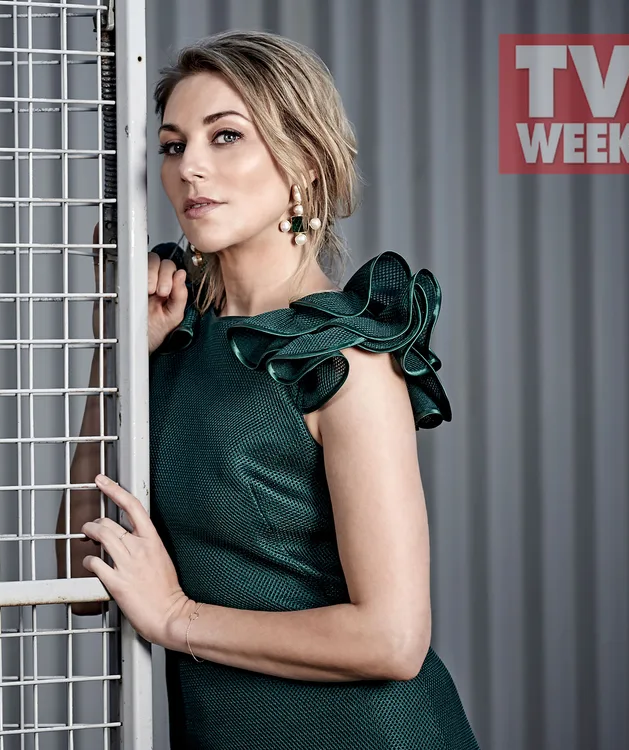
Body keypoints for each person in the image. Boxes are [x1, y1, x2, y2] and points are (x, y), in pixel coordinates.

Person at [56, 29, 480, 750]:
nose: (190, 166)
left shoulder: (341, 356)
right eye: (172, 145)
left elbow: (393, 639)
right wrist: (118, 354)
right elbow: (81, 572)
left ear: (304, 161)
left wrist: (177, 618)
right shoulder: (174, 338)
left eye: (225, 136)